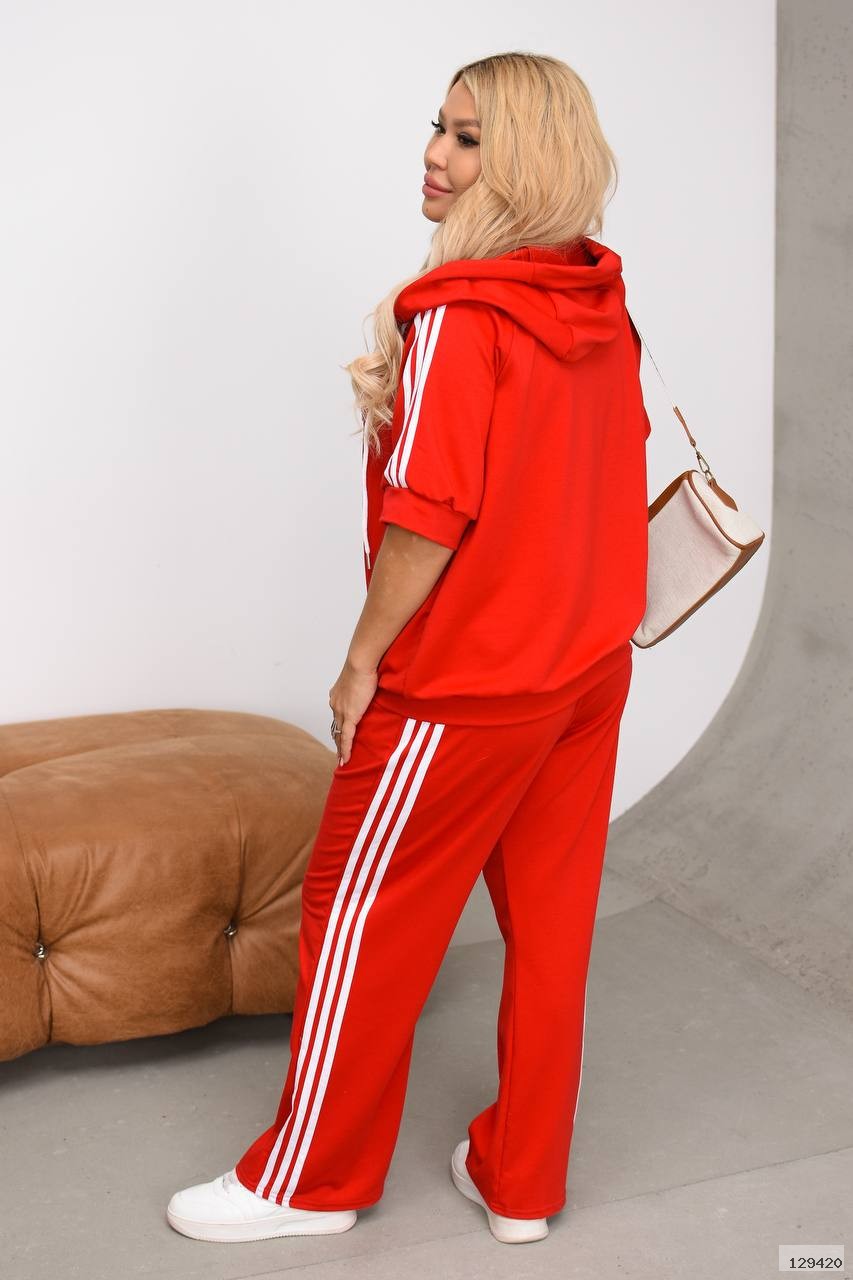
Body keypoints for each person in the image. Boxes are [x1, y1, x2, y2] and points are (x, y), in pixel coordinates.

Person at [166, 49, 650, 1248]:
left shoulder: (458, 315)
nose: (435, 155)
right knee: (551, 934)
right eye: (437, 126)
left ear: (525, 157)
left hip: (465, 687)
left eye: (468, 138)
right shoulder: (597, 299)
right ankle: (520, 1182)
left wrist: (360, 662)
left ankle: (308, 1180)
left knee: (358, 917)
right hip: (584, 670)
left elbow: (429, 513)